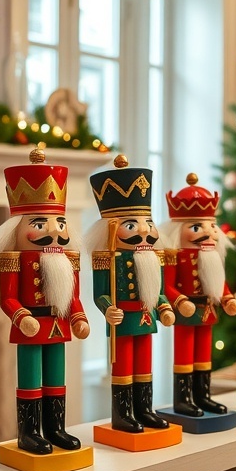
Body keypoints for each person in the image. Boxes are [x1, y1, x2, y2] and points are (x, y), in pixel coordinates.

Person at [0, 147, 89, 455]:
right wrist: (21, 317)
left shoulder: (68, 260)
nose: (55, 232)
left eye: (60, 224)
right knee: (29, 381)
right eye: (40, 224)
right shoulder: (14, 258)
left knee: (56, 379)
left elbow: (73, 297)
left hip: (57, 325)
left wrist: (79, 318)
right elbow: (7, 299)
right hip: (29, 326)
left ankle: (56, 429)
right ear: (19, 229)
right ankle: (29, 433)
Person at [86, 154, 175, 433]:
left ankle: (145, 409)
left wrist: (164, 307)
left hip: (146, 318)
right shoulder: (106, 257)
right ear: (112, 228)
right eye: (131, 224)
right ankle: (123, 414)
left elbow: (158, 290)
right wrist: (107, 308)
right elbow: (99, 293)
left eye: (147, 222)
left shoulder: (153, 257)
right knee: (123, 367)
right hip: (122, 320)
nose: (144, 232)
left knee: (145, 365)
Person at [160, 173, 236, 417]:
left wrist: (228, 298)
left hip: (207, 309)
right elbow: (167, 286)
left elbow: (219, 283)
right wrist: (179, 301)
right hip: (186, 311)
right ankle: (183, 399)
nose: (208, 233)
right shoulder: (175, 255)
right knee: (184, 355)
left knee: (204, 356)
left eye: (211, 227)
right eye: (197, 227)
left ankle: (203, 396)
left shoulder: (212, 254)